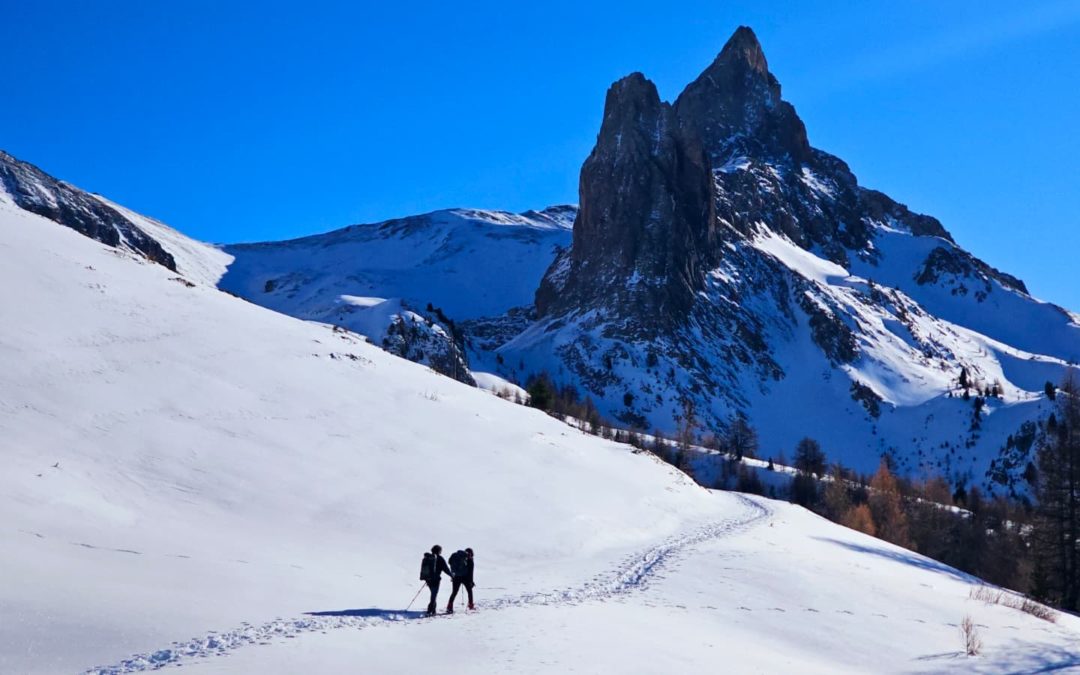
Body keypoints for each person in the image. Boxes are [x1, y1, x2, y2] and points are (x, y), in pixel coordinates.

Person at [421, 544, 452, 616]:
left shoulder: (428, 557)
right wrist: (451, 575)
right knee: (434, 595)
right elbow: (446, 569)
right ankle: (430, 610)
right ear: (439, 551)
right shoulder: (440, 558)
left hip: (428, 579)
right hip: (436, 579)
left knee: (433, 594)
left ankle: (433, 610)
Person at [446, 547, 475, 613]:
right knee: (469, 591)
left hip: (456, 577)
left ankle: (449, 606)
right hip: (465, 578)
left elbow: (449, 562)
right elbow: (471, 572)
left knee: (454, 592)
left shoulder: (456, 556)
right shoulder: (469, 559)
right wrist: (471, 581)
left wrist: (453, 574)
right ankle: (471, 606)